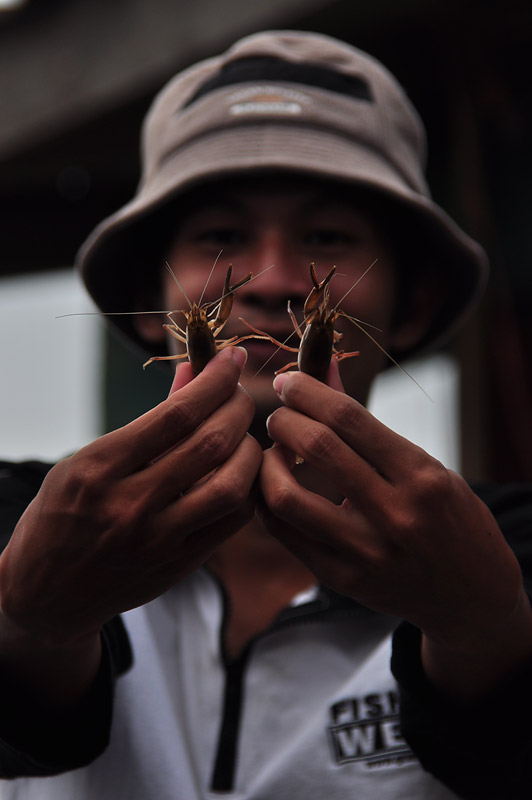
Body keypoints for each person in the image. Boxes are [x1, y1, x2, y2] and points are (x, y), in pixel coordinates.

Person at [1, 29, 531, 800]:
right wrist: (29, 625)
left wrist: (488, 632)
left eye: (326, 237)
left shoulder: (511, 548)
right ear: (154, 308)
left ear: (412, 304)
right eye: (220, 236)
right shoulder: (14, 520)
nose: (275, 279)